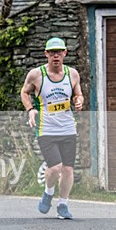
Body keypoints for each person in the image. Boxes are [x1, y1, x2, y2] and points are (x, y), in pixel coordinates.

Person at [20, 37, 84, 220]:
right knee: (55, 167)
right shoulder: (36, 75)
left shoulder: (72, 74)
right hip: (46, 129)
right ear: (46, 54)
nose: (56, 56)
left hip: (67, 128)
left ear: (65, 53)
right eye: (52, 52)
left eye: (59, 52)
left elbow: (78, 94)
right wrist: (31, 110)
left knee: (68, 169)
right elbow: (24, 92)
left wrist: (79, 101)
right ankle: (48, 192)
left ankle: (63, 204)